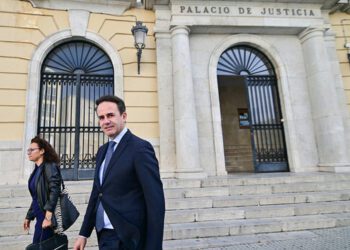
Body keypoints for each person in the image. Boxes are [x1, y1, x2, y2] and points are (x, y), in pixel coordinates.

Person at [73, 95, 165, 250]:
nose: (106, 121)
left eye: (110, 115)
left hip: (129, 237)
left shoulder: (140, 149)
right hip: (105, 236)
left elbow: (155, 201)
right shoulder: (102, 151)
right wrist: (84, 233)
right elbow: (97, 193)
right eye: (101, 117)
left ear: (124, 116)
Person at [24, 136, 62, 244]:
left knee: (40, 245)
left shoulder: (50, 166)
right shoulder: (36, 170)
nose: (29, 152)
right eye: (28, 150)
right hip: (39, 216)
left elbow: (55, 191)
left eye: (32, 150)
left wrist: (48, 217)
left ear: (42, 151)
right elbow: (37, 196)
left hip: (46, 218)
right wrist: (29, 216)